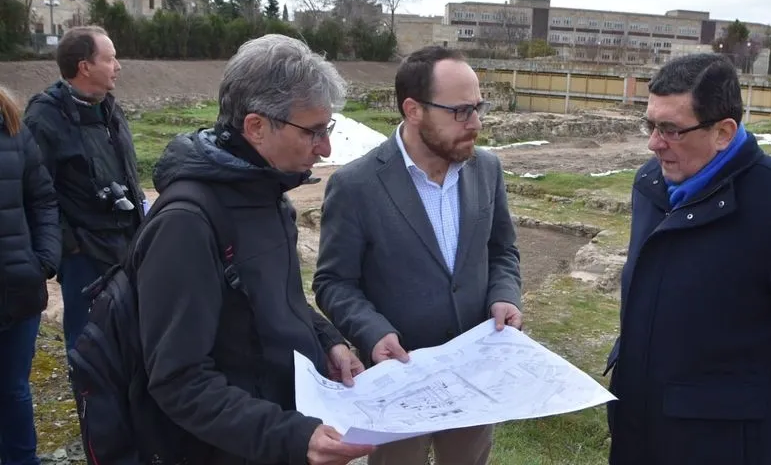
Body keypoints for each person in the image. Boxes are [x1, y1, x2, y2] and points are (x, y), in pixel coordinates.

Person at [604, 53, 771, 465]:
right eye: (649, 125)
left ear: (724, 132)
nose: (653, 143)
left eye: (670, 130)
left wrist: (752, 399)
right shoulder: (650, 184)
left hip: (725, 443)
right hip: (637, 424)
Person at [130, 34, 373, 464]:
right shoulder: (186, 223)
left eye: (328, 128)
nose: (327, 149)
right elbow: (178, 380)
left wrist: (328, 341)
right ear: (257, 127)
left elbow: (279, 301)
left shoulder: (267, 192)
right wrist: (292, 437)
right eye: (314, 132)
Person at [313, 45, 523, 465]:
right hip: (397, 383)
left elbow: (502, 251)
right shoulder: (356, 186)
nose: (476, 123)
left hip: (472, 380)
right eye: (461, 112)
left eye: (478, 108)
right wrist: (372, 332)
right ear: (413, 110)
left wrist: (504, 296)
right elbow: (334, 282)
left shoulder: (487, 169)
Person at [23, 26, 145, 352]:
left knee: (131, 338)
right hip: (84, 258)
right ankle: (90, 404)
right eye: (110, 59)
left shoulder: (109, 109)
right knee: (89, 346)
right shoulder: (44, 118)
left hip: (127, 245)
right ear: (84, 67)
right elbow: (34, 192)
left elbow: (129, 175)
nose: (118, 66)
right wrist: (70, 246)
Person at [0, 85, 61, 465]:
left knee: (14, 391)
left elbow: (42, 199)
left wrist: (44, 259)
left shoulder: (13, 127)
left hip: (17, 290)